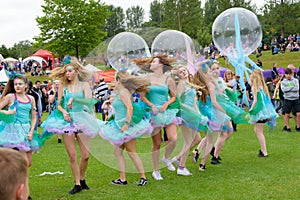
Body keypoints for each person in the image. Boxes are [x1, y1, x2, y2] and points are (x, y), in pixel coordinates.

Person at [41, 56, 100, 194]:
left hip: (82, 119)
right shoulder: (63, 86)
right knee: (72, 156)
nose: (67, 73)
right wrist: (64, 112)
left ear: (77, 71)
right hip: (67, 122)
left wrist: (76, 99)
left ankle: (82, 179)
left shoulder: (85, 85)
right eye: (66, 71)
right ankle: (77, 183)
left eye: (70, 71)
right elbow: (59, 104)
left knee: (85, 155)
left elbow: (89, 101)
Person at [98, 71, 152, 186]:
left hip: (126, 127)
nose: (113, 81)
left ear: (118, 80)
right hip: (119, 126)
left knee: (132, 152)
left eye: (114, 79)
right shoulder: (120, 93)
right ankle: (122, 179)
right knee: (118, 152)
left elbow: (130, 108)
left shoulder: (123, 92)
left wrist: (126, 124)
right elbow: (120, 110)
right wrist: (112, 117)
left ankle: (143, 178)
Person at [133, 55, 181, 180]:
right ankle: (156, 170)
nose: (151, 64)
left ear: (161, 65)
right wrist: (152, 105)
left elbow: (174, 96)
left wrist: (166, 104)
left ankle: (166, 158)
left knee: (173, 138)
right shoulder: (146, 78)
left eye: (154, 61)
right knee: (157, 144)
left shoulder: (168, 79)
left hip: (166, 112)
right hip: (154, 114)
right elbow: (142, 97)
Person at [0, 74, 41, 199]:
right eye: (15, 84)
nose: (17, 86)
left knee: (29, 163)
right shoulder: (11, 97)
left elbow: (34, 117)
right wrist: (7, 112)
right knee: (23, 163)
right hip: (13, 131)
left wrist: (31, 131)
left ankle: (16, 185)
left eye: (20, 84)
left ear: (26, 86)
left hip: (27, 130)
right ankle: (24, 195)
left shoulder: (31, 98)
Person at [170, 66, 210, 175]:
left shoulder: (189, 84)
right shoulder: (182, 84)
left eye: (184, 70)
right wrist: (188, 109)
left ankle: (178, 159)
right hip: (186, 114)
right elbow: (177, 100)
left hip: (193, 115)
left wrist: (199, 115)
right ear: (178, 75)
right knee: (188, 141)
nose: (183, 72)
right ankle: (181, 168)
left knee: (197, 139)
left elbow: (194, 103)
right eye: (180, 71)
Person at [249, 69, 278, 157]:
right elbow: (268, 99)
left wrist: (251, 110)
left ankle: (264, 151)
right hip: (266, 111)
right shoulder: (263, 86)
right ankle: (262, 150)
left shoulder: (255, 86)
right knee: (257, 130)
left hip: (260, 112)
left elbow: (255, 100)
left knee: (259, 132)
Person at [280, 68, 300, 132]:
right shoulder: (283, 82)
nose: (288, 75)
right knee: (287, 114)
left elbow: (297, 88)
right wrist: (291, 87)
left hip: (296, 99)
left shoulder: (295, 80)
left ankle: (298, 126)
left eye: (289, 74)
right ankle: (287, 127)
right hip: (287, 99)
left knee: (298, 113)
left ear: (292, 74)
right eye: (286, 74)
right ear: (285, 74)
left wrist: (288, 88)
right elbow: (284, 90)